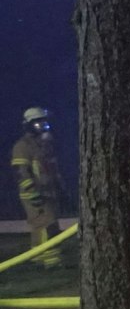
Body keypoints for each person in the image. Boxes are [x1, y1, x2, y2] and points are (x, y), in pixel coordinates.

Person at [9, 107, 65, 268]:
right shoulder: (22, 146)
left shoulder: (45, 144)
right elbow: (21, 172)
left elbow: (52, 168)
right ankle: (50, 262)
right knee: (45, 224)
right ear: (29, 125)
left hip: (48, 191)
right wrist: (32, 191)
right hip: (34, 193)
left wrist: (60, 188)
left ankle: (38, 258)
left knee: (46, 225)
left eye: (44, 122)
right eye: (38, 122)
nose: (43, 125)